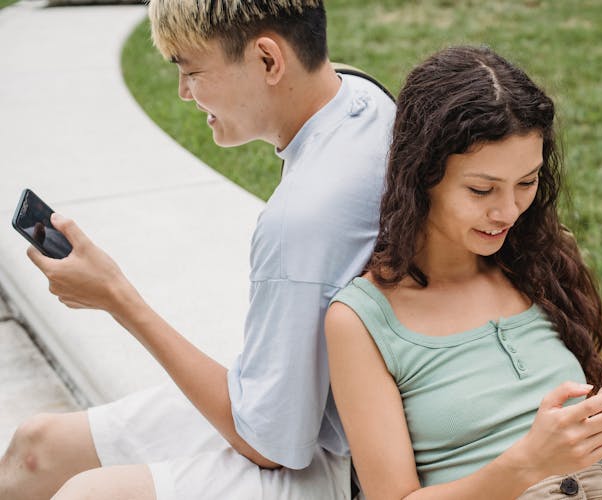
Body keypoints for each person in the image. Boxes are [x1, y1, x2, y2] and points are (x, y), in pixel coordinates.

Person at [0, 1, 394, 499]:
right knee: (38, 445)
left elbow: (271, 445)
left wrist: (116, 297)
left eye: (191, 71)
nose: (184, 93)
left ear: (269, 60)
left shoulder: (303, 219)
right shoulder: (361, 96)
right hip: (307, 410)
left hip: (342, 459)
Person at [326, 46, 602, 499]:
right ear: (421, 175)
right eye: (481, 189)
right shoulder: (362, 319)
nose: (508, 212)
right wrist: (529, 462)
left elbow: (575, 439)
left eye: (527, 183)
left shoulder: (538, 262)